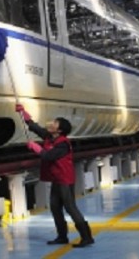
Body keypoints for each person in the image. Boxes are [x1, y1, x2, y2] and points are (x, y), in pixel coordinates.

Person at [15, 104, 94, 248]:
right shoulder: (49, 137)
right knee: (55, 207)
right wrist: (24, 115)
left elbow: (48, 156)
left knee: (70, 207)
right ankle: (62, 236)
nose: (51, 124)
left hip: (65, 179)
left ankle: (87, 237)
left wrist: (36, 148)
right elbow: (35, 128)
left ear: (60, 130)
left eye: (55, 123)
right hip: (56, 179)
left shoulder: (63, 144)